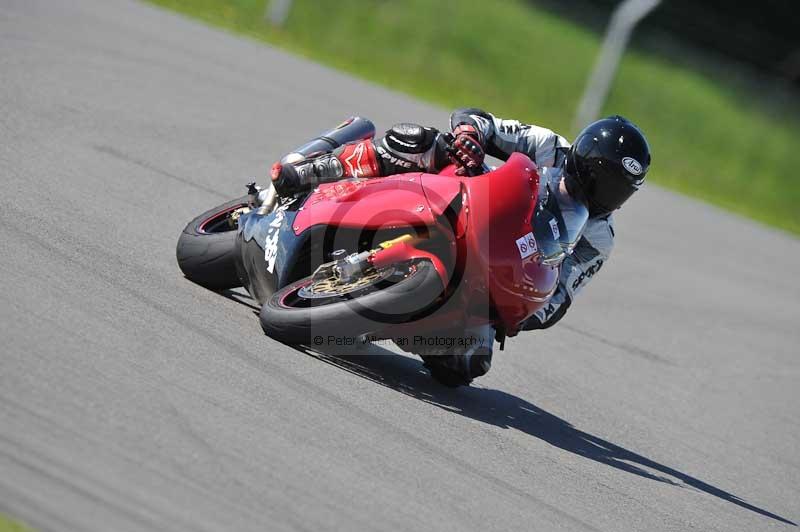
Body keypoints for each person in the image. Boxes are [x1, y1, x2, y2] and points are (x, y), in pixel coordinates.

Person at [270, 109, 651, 385]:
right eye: (602, 179)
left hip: (495, 273)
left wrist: (514, 303)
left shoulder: (600, 238)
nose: (606, 196)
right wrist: (469, 136)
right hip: (474, 199)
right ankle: (315, 170)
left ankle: (381, 315)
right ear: (582, 160)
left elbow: (556, 300)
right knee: (423, 141)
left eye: (619, 190)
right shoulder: (550, 146)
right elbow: (480, 120)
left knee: (466, 364)